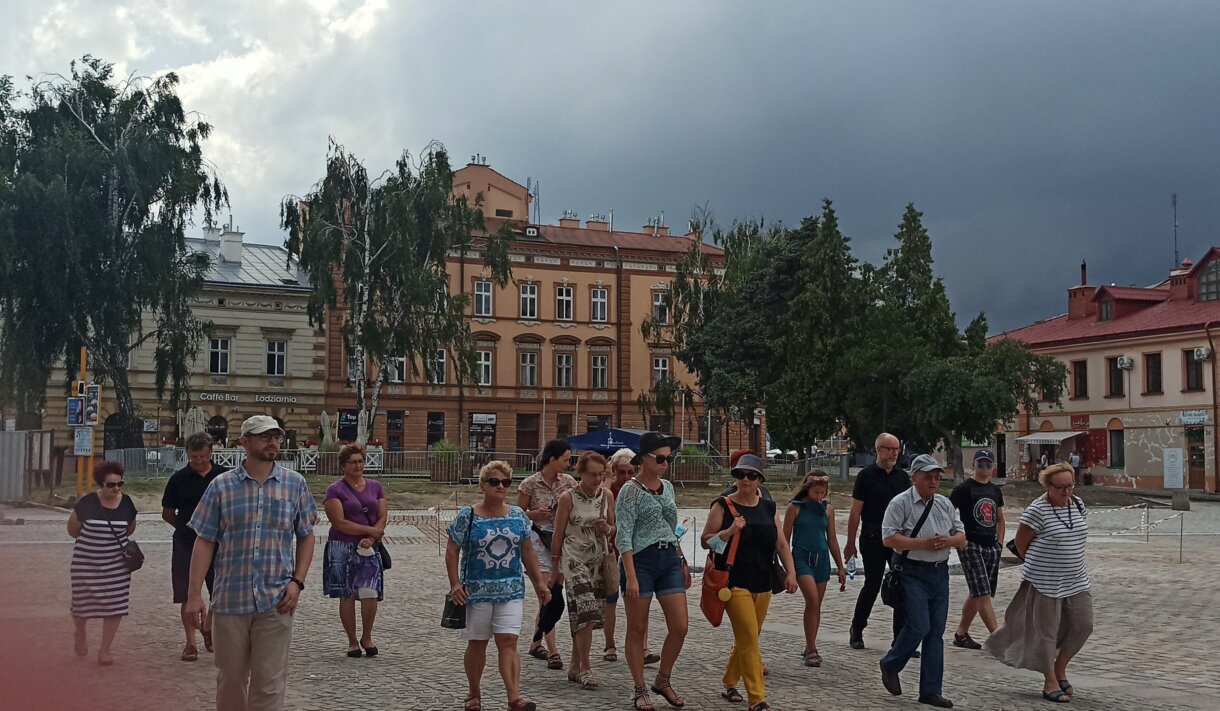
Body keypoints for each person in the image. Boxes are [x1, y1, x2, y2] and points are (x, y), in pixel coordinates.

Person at [186, 415, 318, 711]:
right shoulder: (221, 486)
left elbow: (307, 536)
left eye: (276, 436)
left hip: (276, 599)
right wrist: (194, 594)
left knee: (269, 683)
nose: (272, 442)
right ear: (243, 442)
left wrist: (297, 582)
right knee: (231, 680)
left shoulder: (294, 484)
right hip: (231, 599)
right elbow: (204, 540)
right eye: (263, 436)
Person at [446, 460, 551, 711]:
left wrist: (539, 583)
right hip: (476, 592)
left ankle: (514, 698)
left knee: (508, 642)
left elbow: (527, 551)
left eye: (505, 482)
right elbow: (452, 551)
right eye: (494, 482)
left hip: (510, 591)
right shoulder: (468, 515)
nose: (500, 486)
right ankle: (474, 693)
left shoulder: (517, 515)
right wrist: (455, 584)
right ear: (483, 485)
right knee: (478, 642)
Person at [984, 463, 1092, 703]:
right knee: (1046, 632)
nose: (1067, 491)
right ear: (1048, 487)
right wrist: (1042, 562)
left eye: (1070, 486)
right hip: (1045, 581)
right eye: (1061, 487)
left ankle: (1061, 666)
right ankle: (1050, 680)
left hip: (1076, 579)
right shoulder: (1037, 510)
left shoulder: (1077, 504)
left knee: (1083, 625)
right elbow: (1021, 544)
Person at [701, 454, 797, 711]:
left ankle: (730, 681)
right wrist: (729, 531)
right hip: (734, 583)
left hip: (763, 583)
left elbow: (781, 543)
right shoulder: (722, 505)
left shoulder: (768, 507)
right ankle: (757, 699)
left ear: (760, 481)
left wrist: (791, 573)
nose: (745, 479)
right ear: (734, 478)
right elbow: (706, 541)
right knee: (749, 640)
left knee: (749, 636)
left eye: (751, 475)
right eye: (740, 474)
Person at [878, 454, 965, 709]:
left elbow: (961, 536)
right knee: (918, 625)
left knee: (935, 632)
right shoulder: (900, 503)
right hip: (911, 570)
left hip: (939, 572)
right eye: (928, 476)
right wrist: (923, 544)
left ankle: (930, 690)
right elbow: (889, 538)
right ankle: (891, 663)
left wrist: (949, 541)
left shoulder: (944, 504)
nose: (933, 481)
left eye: (937, 477)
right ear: (914, 477)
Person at [616, 431, 692, 711]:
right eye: (660, 458)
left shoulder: (668, 487)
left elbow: (672, 527)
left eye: (668, 459)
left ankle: (663, 679)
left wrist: (681, 559)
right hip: (641, 561)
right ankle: (638, 688)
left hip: (668, 557)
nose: (665, 464)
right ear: (644, 459)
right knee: (637, 628)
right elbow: (623, 535)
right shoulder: (629, 491)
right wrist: (631, 575)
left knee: (680, 626)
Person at [550, 452, 616, 689]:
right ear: (580, 473)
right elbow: (557, 533)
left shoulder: (606, 496)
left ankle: (575, 666)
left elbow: (613, 528)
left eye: (601, 474)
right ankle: (586, 668)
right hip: (573, 561)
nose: (597, 479)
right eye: (592, 475)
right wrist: (554, 568)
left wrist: (607, 528)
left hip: (597, 562)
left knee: (584, 617)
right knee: (587, 612)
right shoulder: (568, 497)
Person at [162, 432, 228, 661]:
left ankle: (209, 626)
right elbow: (168, 513)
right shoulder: (178, 479)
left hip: (220, 544)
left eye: (202, 456)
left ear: (211, 453)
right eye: (193, 457)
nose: (198, 461)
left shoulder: (225, 478)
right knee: (186, 594)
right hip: (185, 543)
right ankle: (190, 642)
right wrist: (186, 528)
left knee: (218, 592)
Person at [844, 432, 911, 651]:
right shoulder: (866, 476)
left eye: (896, 449)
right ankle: (857, 628)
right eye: (890, 449)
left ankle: (900, 638)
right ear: (878, 450)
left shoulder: (902, 477)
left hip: (898, 540)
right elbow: (856, 511)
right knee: (872, 585)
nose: (894, 453)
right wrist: (850, 542)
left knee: (902, 586)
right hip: (872, 537)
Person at [69, 461, 138, 666]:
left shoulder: (127, 503)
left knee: (115, 606)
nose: (116, 488)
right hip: (86, 563)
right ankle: (80, 632)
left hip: (117, 566)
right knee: (82, 606)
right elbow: (73, 529)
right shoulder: (87, 502)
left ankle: (105, 649)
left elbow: (129, 529)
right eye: (111, 485)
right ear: (101, 484)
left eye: (120, 484)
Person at [323, 443, 387, 657]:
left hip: (369, 546)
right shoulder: (335, 490)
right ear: (343, 465)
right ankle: (351, 640)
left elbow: (382, 516)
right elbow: (339, 522)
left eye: (361, 461)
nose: (358, 465)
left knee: (370, 592)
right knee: (347, 594)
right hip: (342, 546)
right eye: (353, 462)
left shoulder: (376, 486)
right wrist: (370, 530)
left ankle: (367, 636)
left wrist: (372, 536)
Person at [518, 438, 577, 669]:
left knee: (553, 593)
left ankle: (535, 642)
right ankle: (553, 651)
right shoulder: (529, 484)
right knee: (547, 594)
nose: (568, 464)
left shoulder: (569, 482)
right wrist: (534, 514)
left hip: (561, 542)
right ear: (552, 459)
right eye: (565, 459)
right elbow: (518, 514)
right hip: (538, 541)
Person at [782, 471, 847, 668]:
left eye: (822, 493)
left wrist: (841, 566)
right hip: (801, 558)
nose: (819, 496)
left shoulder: (828, 510)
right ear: (807, 489)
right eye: (816, 492)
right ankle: (811, 648)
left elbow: (832, 539)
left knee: (816, 604)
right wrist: (788, 569)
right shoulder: (795, 508)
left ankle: (810, 643)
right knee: (811, 599)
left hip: (822, 559)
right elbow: (784, 539)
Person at [949, 449, 1006, 650]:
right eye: (980, 464)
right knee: (983, 594)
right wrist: (958, 540)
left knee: (979, 591)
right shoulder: (963, 489)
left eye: (988, 464)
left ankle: (961, 633)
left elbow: (1000, 518)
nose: (984, 468)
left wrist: (1000, 542)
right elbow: (947, 513)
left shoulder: (995, 490)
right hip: (971, 545)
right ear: (973, 465)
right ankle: (1000, 640)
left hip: (991, 546)